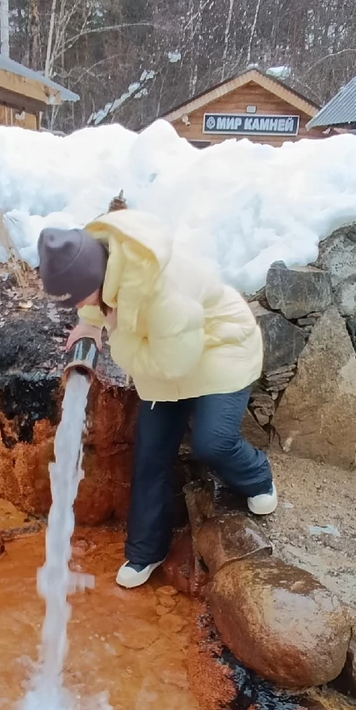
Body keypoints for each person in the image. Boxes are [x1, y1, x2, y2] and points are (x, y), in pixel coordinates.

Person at [37, 209, 275, 589]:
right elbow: (96, 298)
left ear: (95, 278)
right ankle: (147, 550)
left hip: (220, 346)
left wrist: (120, 341)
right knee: (150, 454)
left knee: (212, 443)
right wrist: (89, 324)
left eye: (78, 299)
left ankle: (257, 476)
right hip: (166, 349)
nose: (78, 305)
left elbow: (175, 364)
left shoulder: (162, 289)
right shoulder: (103, 262)